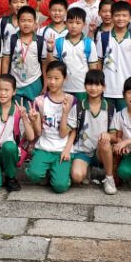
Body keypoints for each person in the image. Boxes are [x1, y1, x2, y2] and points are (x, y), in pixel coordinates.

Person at [26, 62, 76, 194]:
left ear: (65, 79)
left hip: (62, 149)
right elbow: (38, 132)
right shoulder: (39, 101)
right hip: (44, 147)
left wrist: (65, 113)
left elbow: (66, 133)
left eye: (57, 78)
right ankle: (48, 171)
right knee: (33, 175)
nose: (52, 82)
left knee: (60, 186)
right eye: (49, 77)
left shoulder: (71, 101)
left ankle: (61, 175)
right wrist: (34, 119)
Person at [0, 74, 33, 192]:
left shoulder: (18, 112)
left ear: (14, 92)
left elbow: (31, 137)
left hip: (10, 154)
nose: (2, 93)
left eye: (6, 90)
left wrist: (24, 117)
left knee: (9, 146)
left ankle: (10, 177)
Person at [69, 69, 117, 194]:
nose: (93, 88)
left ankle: (109, 178)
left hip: (101, 151)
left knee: (105, 142)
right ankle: (87, 169)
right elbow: (71, 131)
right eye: (90, 84)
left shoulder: (110, 108)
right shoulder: (78, 107)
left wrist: (108, 136)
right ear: (85, 86)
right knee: (77, 177)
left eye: (97, 84)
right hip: (82, 151)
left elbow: (115, 136)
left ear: (104, 87)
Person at [97, 1, 131, 111]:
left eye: (124, 15)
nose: (120, 18)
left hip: (128, 90)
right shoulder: (103, 37)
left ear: (130, 17)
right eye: (117, 15)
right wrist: (98, 84)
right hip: (107, 89)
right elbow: (99, 62)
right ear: (112, 16)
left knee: (125, 119)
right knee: (107, 119)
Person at [49, 7, 98, 102]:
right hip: (62, 88)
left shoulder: (88, 43)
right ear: (66, 23)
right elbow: (53, 67)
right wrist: (50, 50)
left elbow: (93, 69)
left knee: (81, 110)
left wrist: (92, 87)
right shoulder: (59, 42)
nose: (74, 26)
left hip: (82, 89)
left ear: (84, 24)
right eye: (70, 22)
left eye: (78, 23)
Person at [3, 5, 47, 106]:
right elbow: (5, 62)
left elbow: (44, 65)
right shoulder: (11, 39)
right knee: (17, 111)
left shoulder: (40, 41)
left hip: (34, 82)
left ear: (35, 23)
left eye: (30, 21)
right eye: (23, 21)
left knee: (34, 111)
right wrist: (5, 82)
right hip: (15, 82)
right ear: (18, 22)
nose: (26, 24)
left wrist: (45, 85)